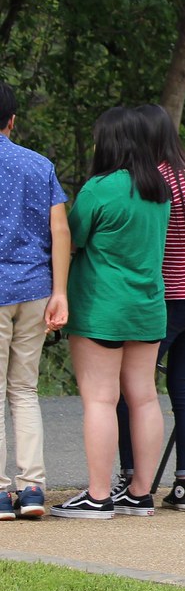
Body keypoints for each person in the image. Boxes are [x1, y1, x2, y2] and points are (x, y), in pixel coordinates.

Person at [50, 107, 170, 519]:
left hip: (102, 306)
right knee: (145, 397)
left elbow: (72, 237)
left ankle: (98, 495)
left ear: (113, 142)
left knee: (100, 399)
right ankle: (141, 493)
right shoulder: (158, 189)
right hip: (149, 306)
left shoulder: (99, 188)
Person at [114, 104, 185, 511]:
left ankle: (131, 479)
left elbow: (144, 244)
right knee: (183, 390)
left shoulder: (152, 181)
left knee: (131, 390)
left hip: (176, 297)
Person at [0, 81, 70, 521]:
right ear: (12, 120)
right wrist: (60, 291)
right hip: (34, 288)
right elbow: (60, 229)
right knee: (24, 389)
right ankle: (31, 489)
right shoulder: (38, 164)